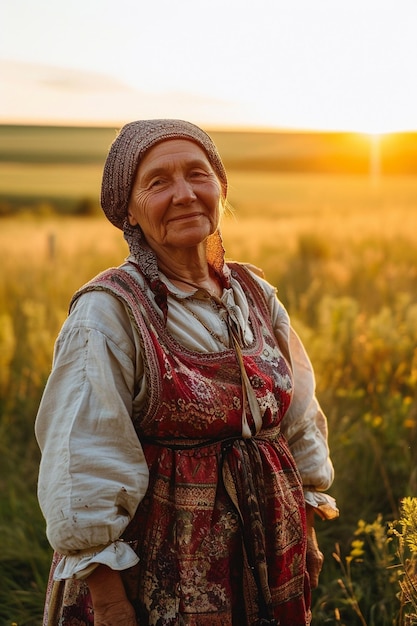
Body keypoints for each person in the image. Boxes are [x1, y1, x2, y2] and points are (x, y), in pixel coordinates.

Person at [35, 119, 338, 626]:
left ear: (220, 188)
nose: (185, 194)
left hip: (271, 551)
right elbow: (81, 459)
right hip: (160, 570)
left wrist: (302, 527)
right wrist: (109, 601)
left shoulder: (255, 295)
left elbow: (299, 419)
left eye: (198, 174)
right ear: (127, 211)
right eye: (157, 182)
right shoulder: (108, 313)